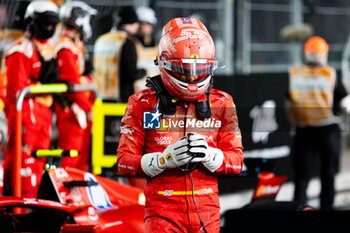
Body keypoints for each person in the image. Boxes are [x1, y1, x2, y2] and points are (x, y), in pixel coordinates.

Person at [117, 17, 244, 232]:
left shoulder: (222, 102)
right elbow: (124, 163)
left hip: (207, 214)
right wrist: (164, 159)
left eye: (200, 68)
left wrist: (211, 155)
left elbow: (237, 161)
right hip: (162, 214)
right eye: (184, 69)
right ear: (164, 62)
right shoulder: (141, 103)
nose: (193, 77)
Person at [4, 0, 59, 198]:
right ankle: (16, 208)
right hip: (25, 117)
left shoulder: (49, 48)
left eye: (52, 25)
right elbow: (16, 91)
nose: (49, 29)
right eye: (45, 24)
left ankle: (32, 205)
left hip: (43, 116)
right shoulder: (20, 50)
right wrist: (42, 87)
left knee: (39, 165)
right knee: (22, 164)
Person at [288, 36, 350, 210]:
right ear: (324, 54)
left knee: (301, 178)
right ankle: (326, 213)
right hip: (328, 131)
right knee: (328, 175)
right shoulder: (330, 73)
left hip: (303, 131)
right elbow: (345, 104)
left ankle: (299, 212)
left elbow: (289, 101)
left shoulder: (296, 73)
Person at [54, 1, 96, 170]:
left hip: (79, 109)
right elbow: (71, 83)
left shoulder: (73, 44)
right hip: (72, 110)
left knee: (80, 161)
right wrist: (88, 107)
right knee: (72, 159)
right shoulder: (66, 47)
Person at [93, 6, 146, 102]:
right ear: (133, 23)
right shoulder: (126, 42)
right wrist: (144, 72)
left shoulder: (102, 39)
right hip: (120, 99)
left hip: (100, 97)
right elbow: (130, 73)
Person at [133, 6, 159, 93]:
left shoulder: (157, 46)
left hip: (154, 91)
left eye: (147, 24)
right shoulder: (132, 44)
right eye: (142, 24)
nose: (144, 27)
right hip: (136, 92)